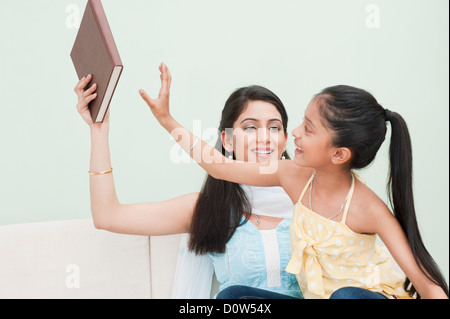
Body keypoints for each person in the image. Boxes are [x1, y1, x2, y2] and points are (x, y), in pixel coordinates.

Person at [141, 63, 449, 299]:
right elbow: (219, 166)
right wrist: (167, 120)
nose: (294, 133)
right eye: (301, 121)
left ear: (339, 154)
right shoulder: (289, 175)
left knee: (345, 296)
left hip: (361, 296)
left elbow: (427, 286)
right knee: (232, 297)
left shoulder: (368, 208)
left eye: (310, 129)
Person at [74, 73, 303, 298]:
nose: (265, 137)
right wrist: (98, 131)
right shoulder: (209, 208)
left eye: (274, 127)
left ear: (284, 140)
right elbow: (108, 216)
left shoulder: (309, 200)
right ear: (228, 141)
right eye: (250, 128)